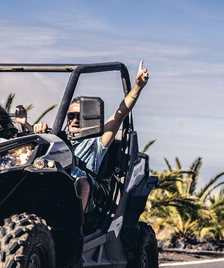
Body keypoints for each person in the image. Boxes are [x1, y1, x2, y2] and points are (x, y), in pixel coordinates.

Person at [33, 61, 149, 212]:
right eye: (71, 116)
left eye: (80, 116)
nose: (74, 120)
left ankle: (75, 229)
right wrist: (35, 129)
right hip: (54, 185)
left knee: (82, 183)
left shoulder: (96, 142)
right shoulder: (56, 138)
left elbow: (118, 116)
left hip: (85, 193)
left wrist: (137, 88)